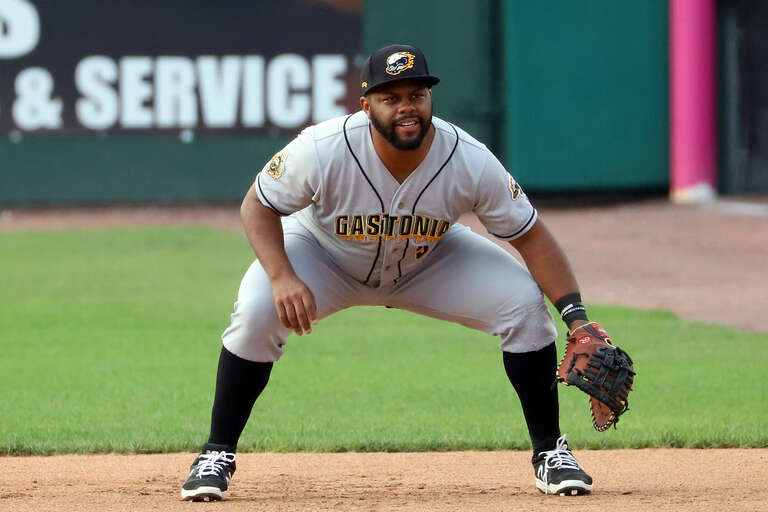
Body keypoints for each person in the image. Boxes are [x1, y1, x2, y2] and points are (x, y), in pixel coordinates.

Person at [181, 44, 595, 501]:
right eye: (390, 97)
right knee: (257, 312)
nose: (406, 107)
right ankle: (216, 452)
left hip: (427, 260)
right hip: (323, 254)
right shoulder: (322, 148)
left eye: (417, 95)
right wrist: (281, 276)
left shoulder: (469, 158)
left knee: (523, 305)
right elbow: (257, 205)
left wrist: (578, 320)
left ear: (430, 99)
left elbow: (531, 236)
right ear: (366, 105)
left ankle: (551, 452)